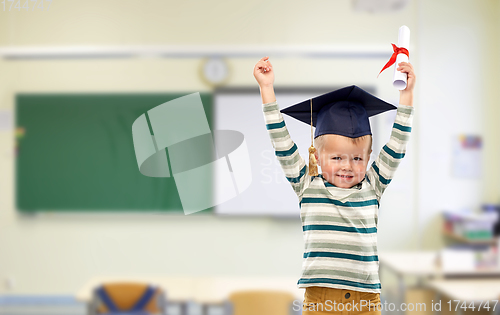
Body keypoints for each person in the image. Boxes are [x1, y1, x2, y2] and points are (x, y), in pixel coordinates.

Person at [253, 56, 416, 315]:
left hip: (366, 300)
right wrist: (266, 89)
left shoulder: (373, 186)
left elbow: (397, 146)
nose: (347, 166)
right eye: (337, 157)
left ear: (369, 156)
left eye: (357, 158)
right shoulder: (307, 185)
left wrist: (406, 95)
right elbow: (281, 143)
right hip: (320, 300)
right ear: (317, 157)